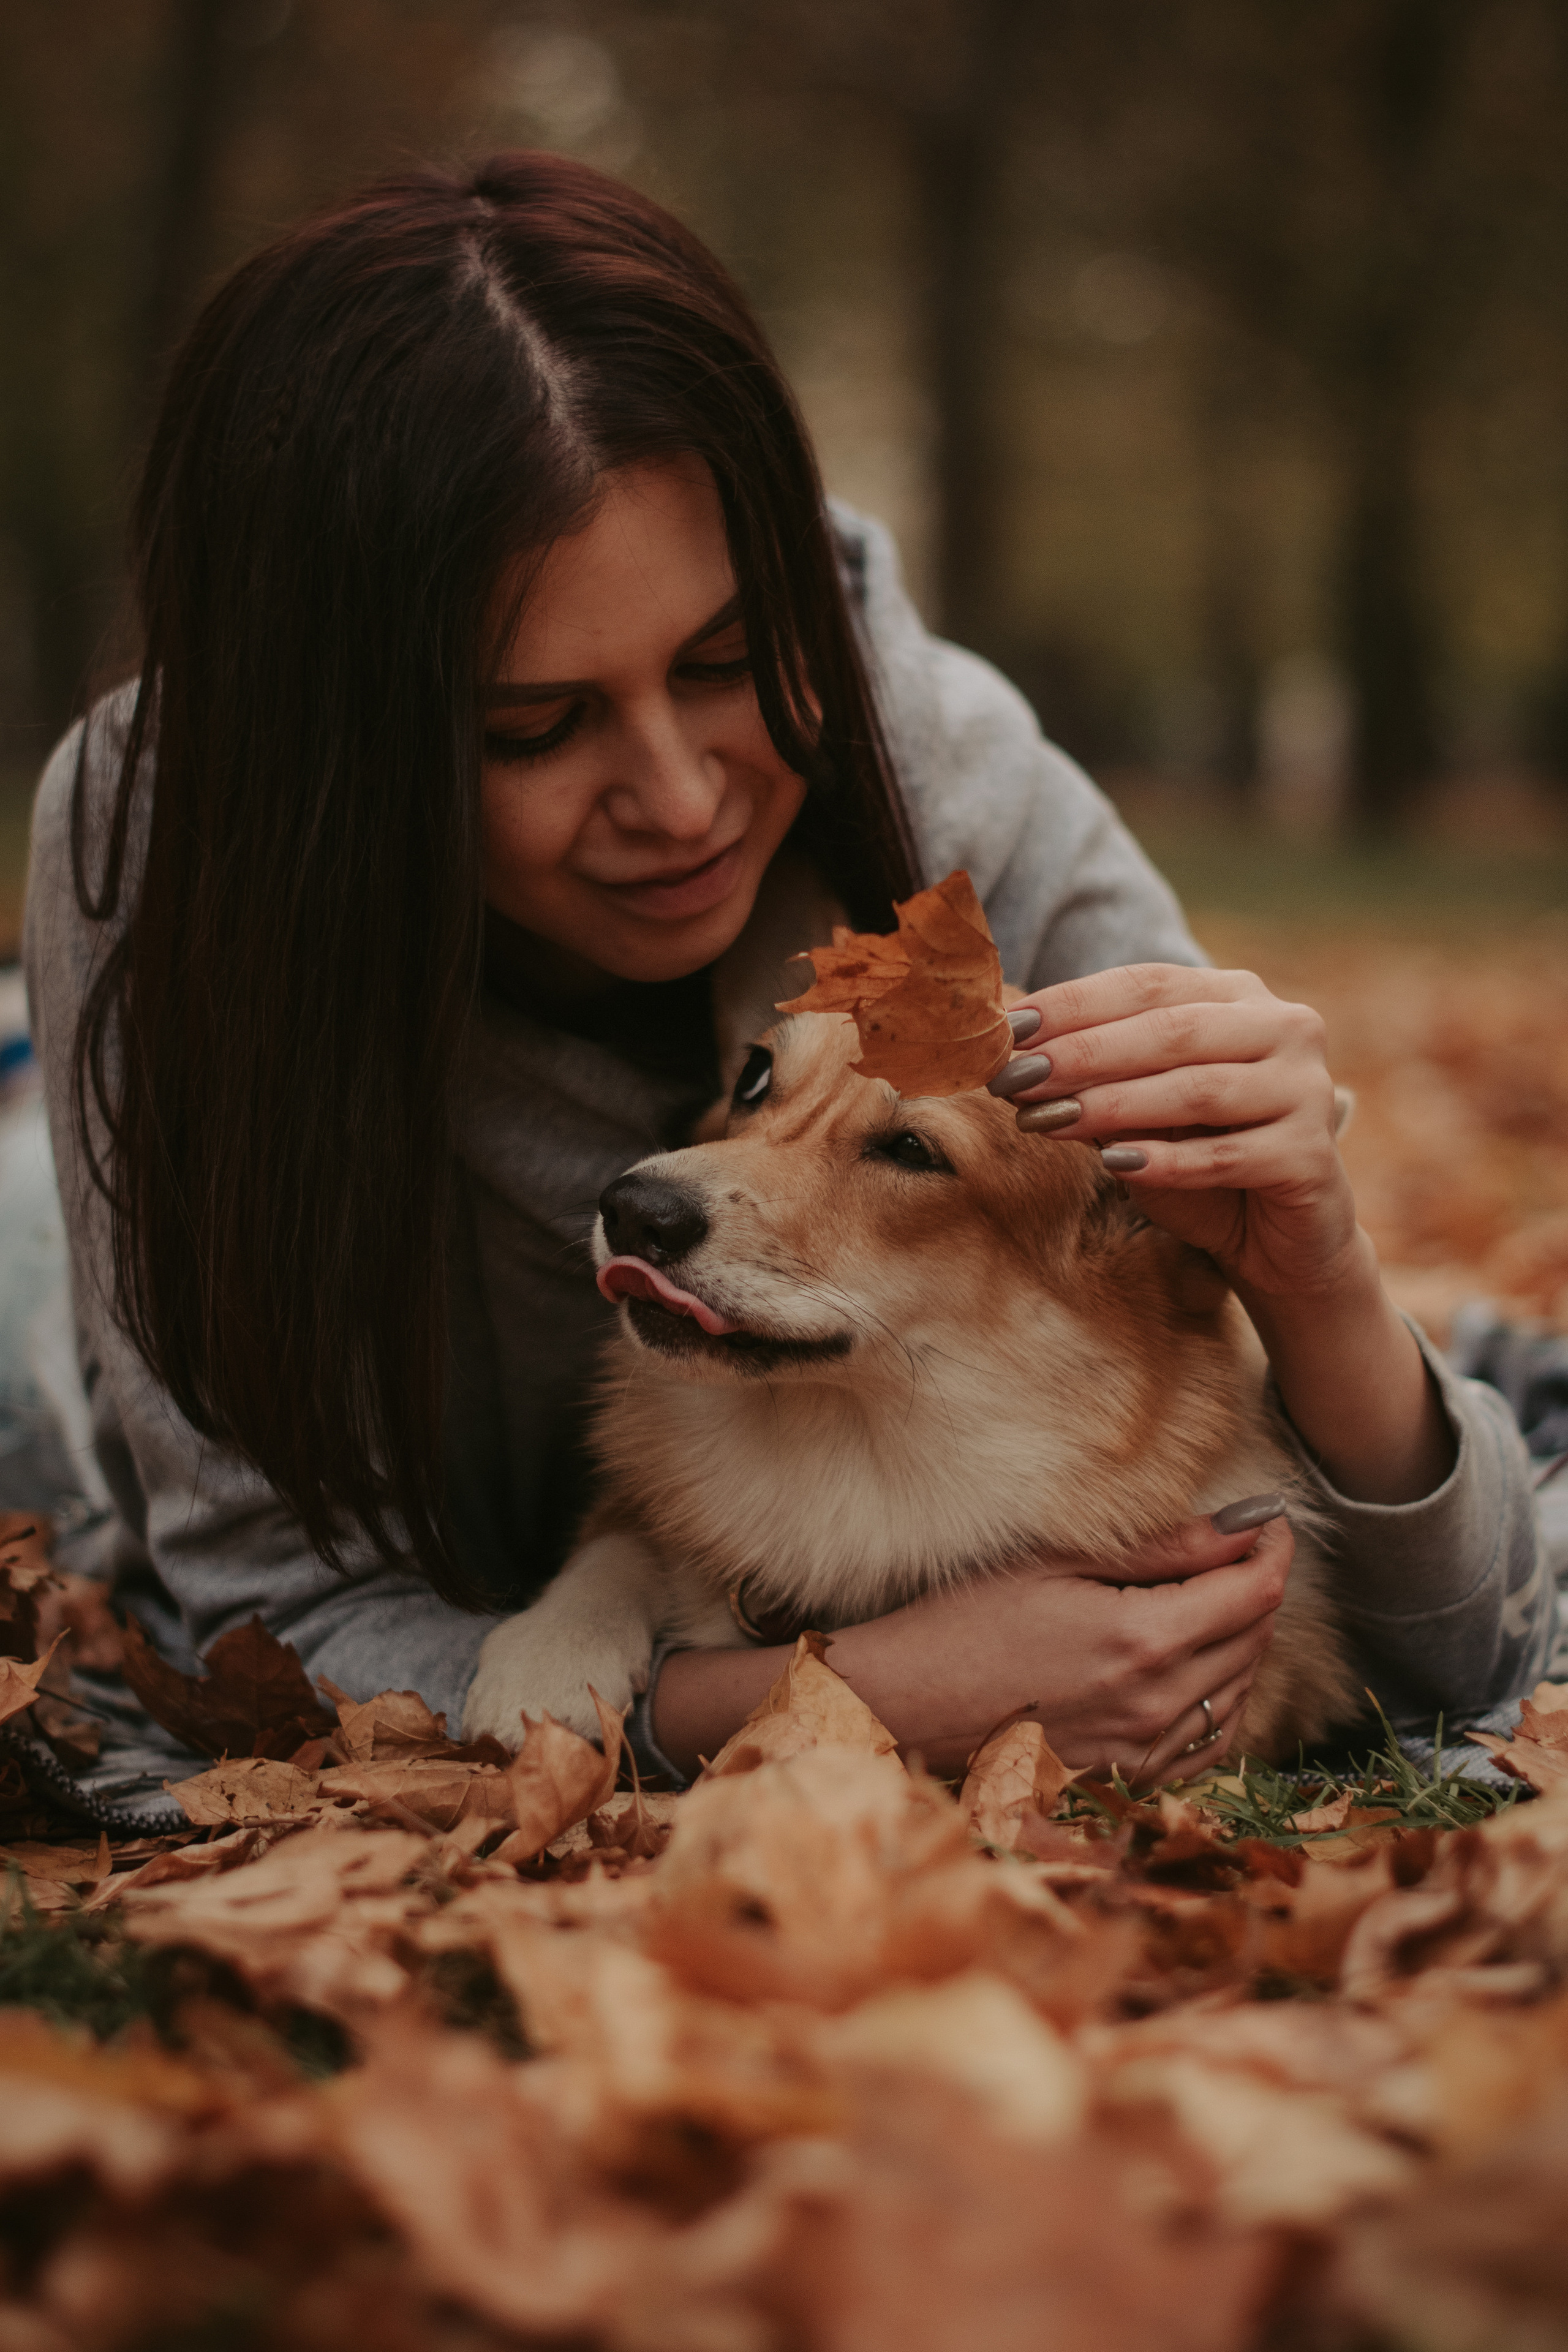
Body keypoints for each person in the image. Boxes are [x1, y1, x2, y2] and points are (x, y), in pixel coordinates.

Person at [18, 153, 1549, 1830]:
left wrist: (1320, 1271)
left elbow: (1465, 1637)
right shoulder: (167, 851)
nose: (679, 801)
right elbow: (254, 1614)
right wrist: (839, 1702)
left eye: (730, 661)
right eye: (534, 728)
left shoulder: (949, 780)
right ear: (340, 756)